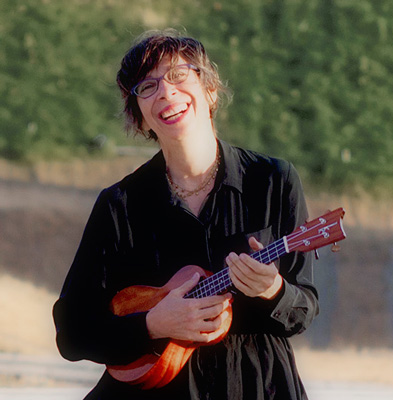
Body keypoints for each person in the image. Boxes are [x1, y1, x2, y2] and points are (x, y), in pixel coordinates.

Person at [53, 29, 319, 400]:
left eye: (179, 75)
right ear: (140, 118)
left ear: (209, 90)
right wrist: (151, 324)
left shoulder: (274, 180)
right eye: (147, 87)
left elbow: (303, 310)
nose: (166, 92)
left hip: (256, 387)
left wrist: (272, 290)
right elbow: (73, 332)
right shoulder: (119, 205)